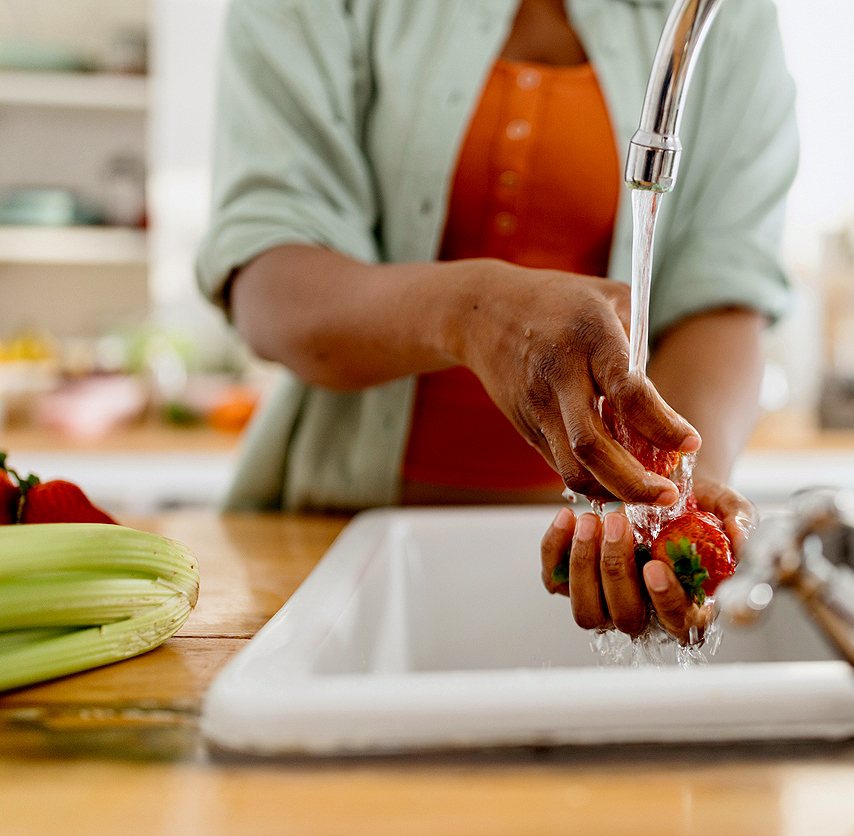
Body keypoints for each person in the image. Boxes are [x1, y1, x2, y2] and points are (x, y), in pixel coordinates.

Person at [196, 0, 799, 642]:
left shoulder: (723, 14)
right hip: (333, 551)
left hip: (593, 555)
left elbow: (723, 289)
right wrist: (475, 312)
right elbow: (272, 282)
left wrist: (672, 499)